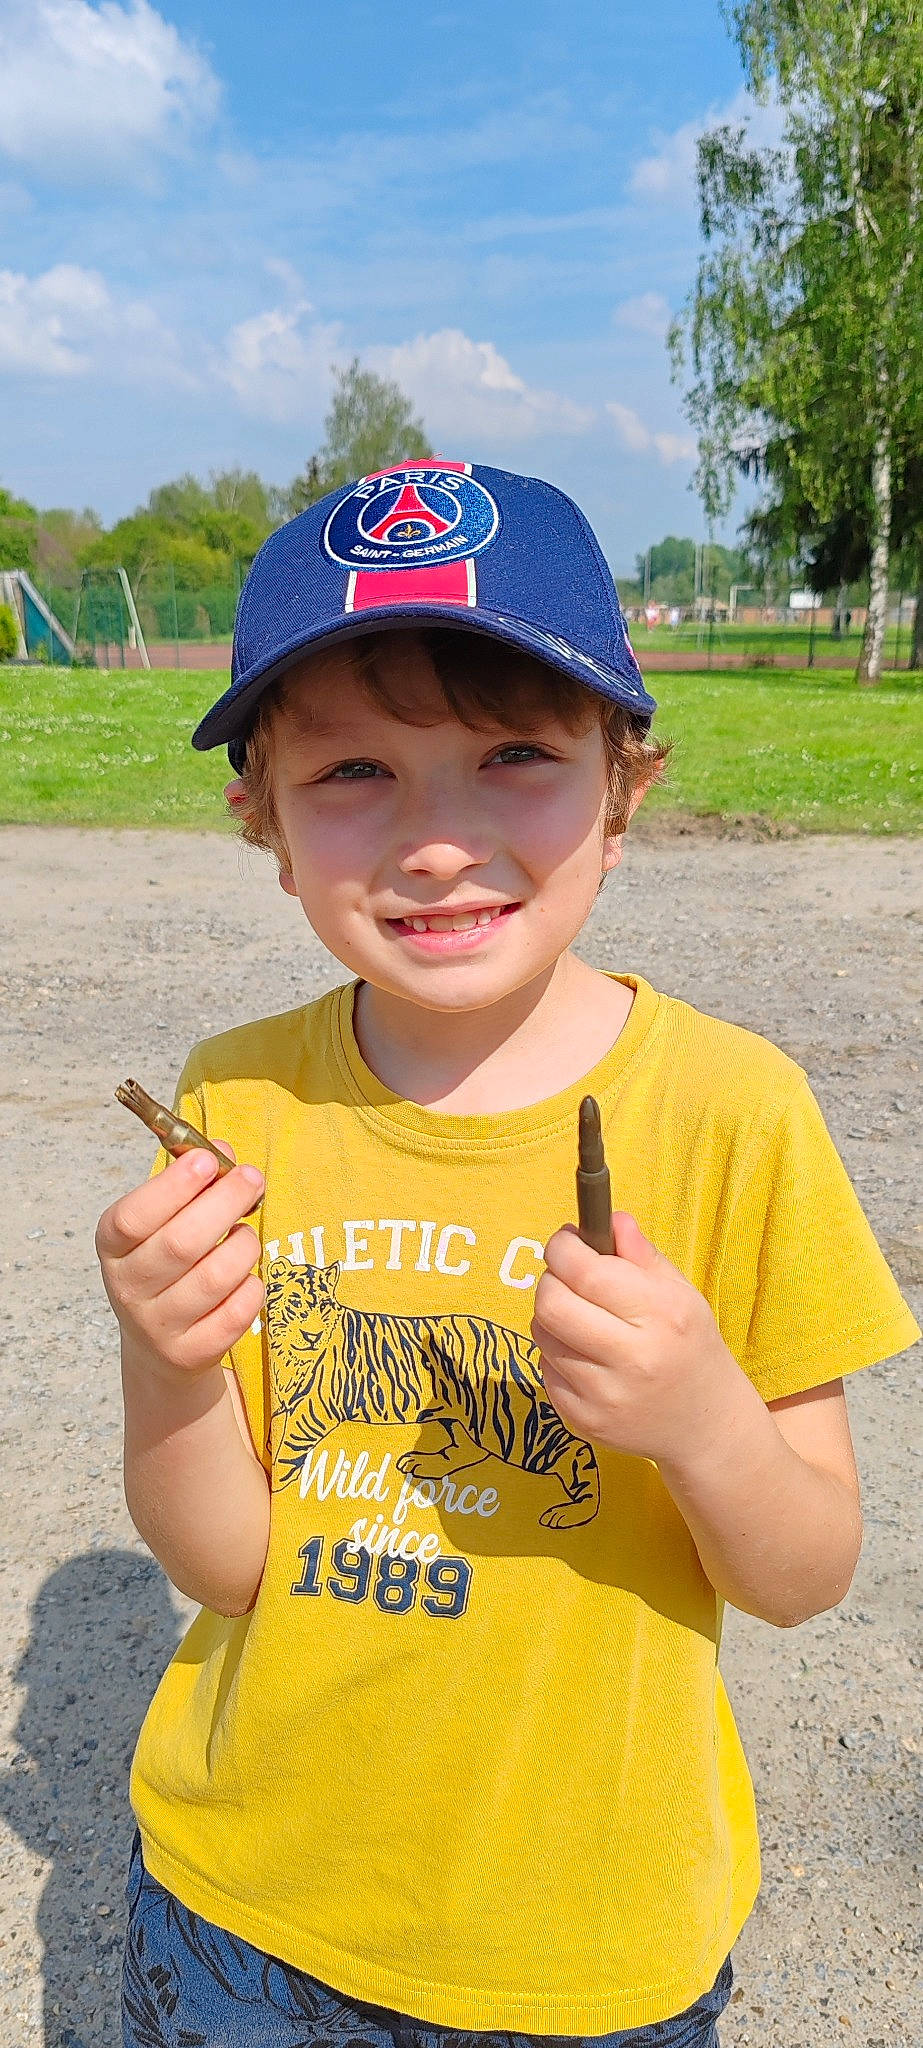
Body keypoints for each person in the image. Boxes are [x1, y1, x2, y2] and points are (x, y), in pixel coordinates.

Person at [96, 460, 919, 2048]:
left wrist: (698, 1416)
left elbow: (808, 1573)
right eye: (353, 774)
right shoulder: (238, 1094)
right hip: (244, 1912)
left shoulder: (735, 1113)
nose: (437, 841)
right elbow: (225, 1565)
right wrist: (164, 1355)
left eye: (518, 755)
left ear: (627, 787)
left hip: (586, 1948)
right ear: (257, 815)